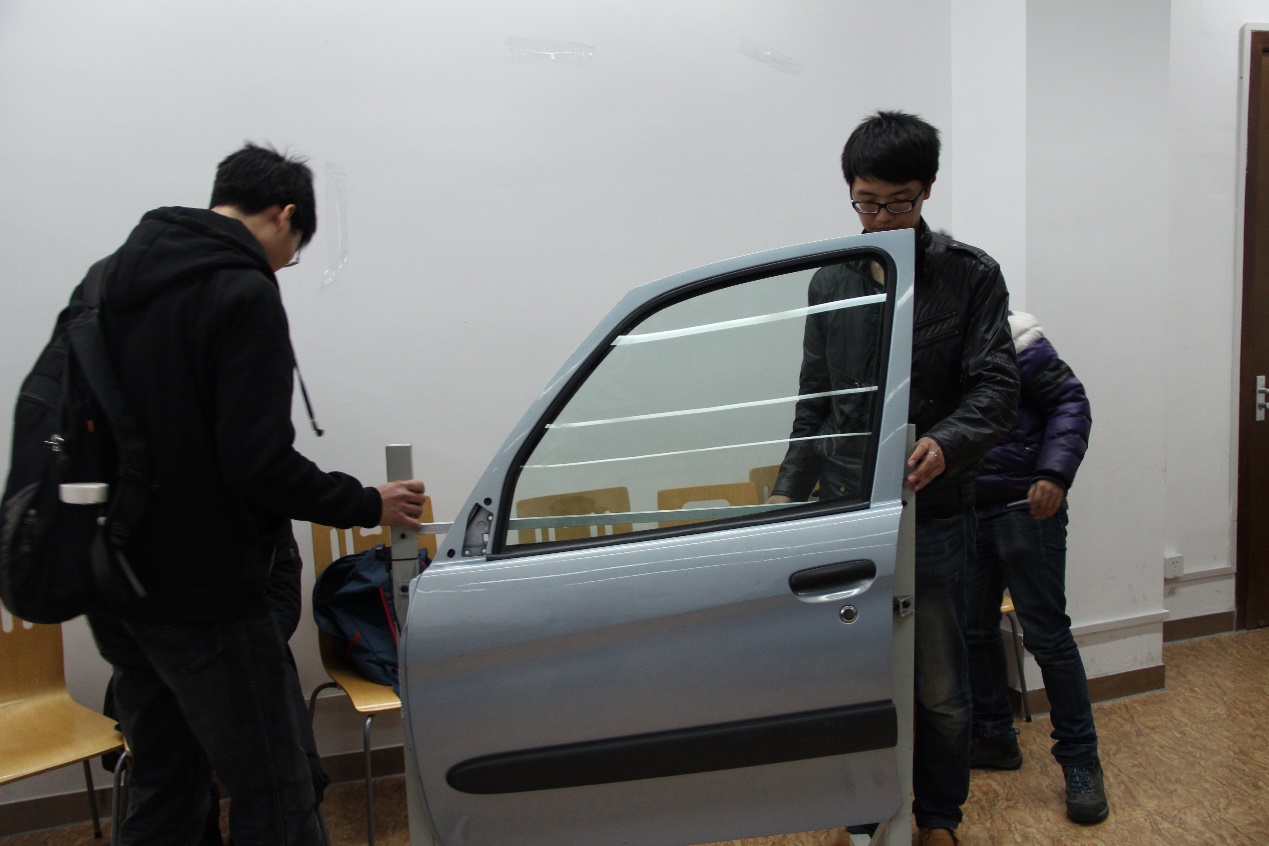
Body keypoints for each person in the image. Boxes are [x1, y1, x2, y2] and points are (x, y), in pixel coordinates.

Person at [84, 143, 427, 846]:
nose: (282, 266)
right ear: (284, 214)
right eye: (292, 253)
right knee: (275, 788)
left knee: (166, 784)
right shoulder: (240, 290)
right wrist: (367, 503)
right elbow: (257, 464)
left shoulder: (109, 277)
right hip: (205, 591)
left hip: (111, 578)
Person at [770, 111, 1019, 846]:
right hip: (847, 510)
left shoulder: (970, 275)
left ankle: (938, 818)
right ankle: (864, 815)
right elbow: (815, 400)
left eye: (897, 203)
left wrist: (945, 442)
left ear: (927, 191)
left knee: (939, 685)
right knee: (854, 678)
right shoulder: (832, 279)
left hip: (934, 509)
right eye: (866, 202)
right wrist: (786, 494)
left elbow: (996, 387)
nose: (879, 219)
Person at [965, 312, 1108, 825]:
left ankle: (1081, 761)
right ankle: (994, 737)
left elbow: (1070, 400)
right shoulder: (928, 339)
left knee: (1046, 636)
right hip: (964, 511)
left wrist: (1055, 472)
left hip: (1026, 508)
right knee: (973, 631)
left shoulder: (1010, 334)